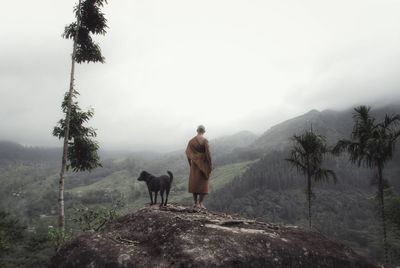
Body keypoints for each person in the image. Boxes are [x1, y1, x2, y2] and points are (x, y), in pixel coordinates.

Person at [185, 125, 212, 209]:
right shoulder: (205, 141)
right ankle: (200, 203)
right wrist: (210, 165)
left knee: (194, 183)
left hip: (194, 165)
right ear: (204, 131)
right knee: (203, 184)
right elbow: (208, 154)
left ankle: (195, 203)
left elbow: (187, 153)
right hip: (203, 164)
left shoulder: (191, 141)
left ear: (197, 130)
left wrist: (191, 163)